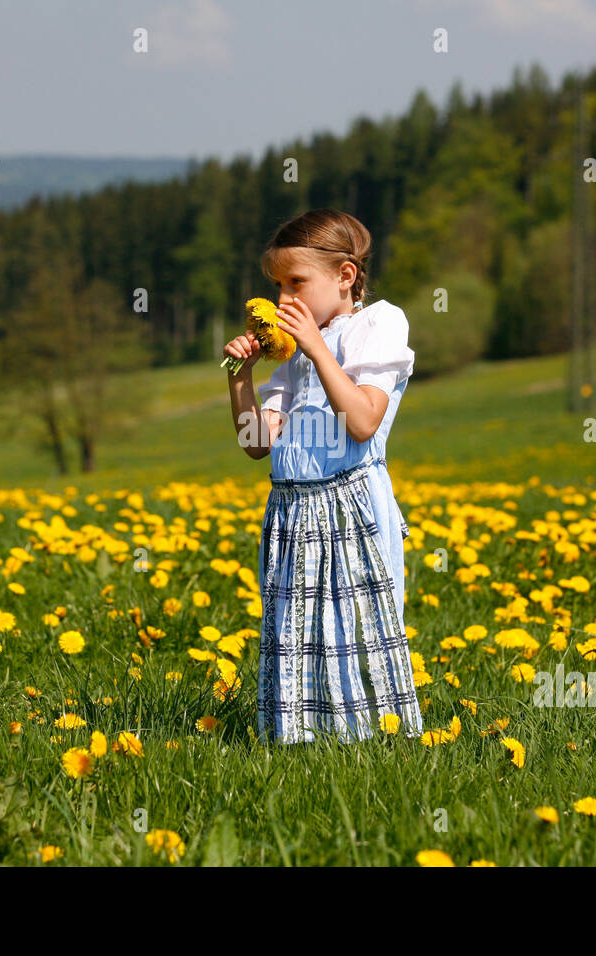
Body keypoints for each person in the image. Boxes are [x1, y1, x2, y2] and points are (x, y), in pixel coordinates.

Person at [223, 208, 424, 745]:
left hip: (348, 506)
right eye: (277, 284)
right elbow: (254, 444)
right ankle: (302, 741)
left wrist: (315, 346)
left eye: (296, 282)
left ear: (345, 277)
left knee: (354, 632)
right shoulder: (291, 359)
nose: (284, 297)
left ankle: (374, 743)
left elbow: (361, 422)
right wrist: (242, 377)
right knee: (299, 634)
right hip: (292, 511)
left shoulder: (377, 325)